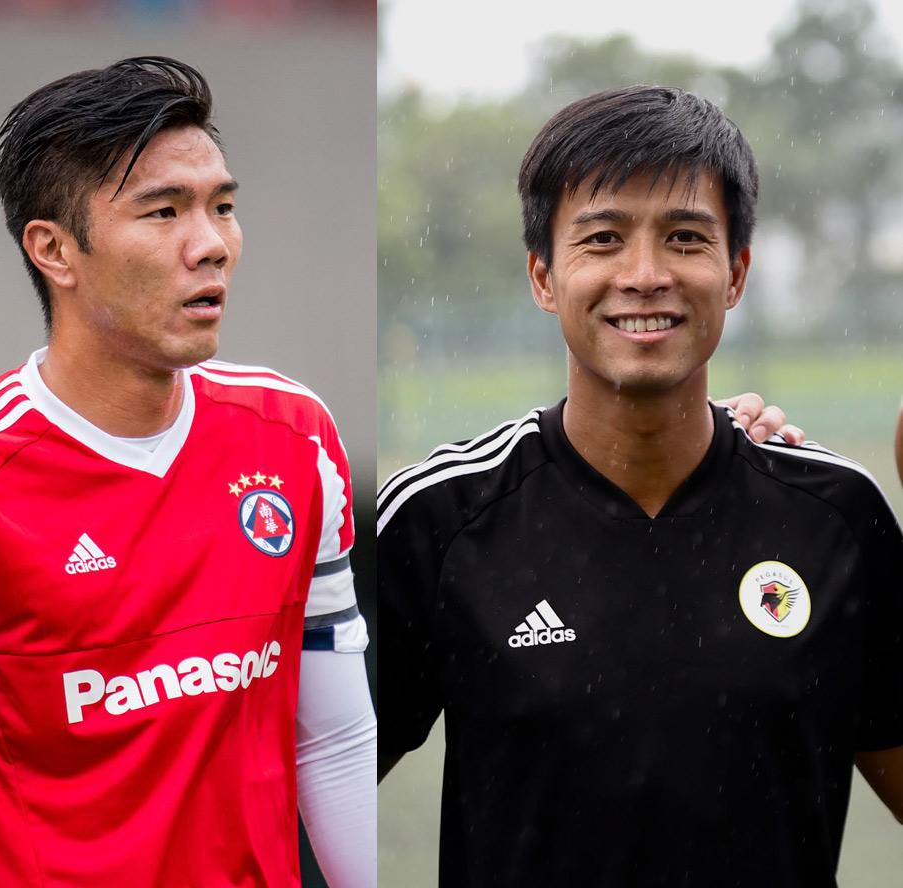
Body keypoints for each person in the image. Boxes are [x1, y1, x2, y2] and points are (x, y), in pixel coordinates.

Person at [0, 57, 375, 887]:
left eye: (222, 207)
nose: (212, 245)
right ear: (54, 249)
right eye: (164, 212)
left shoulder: (294, 435)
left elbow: (336, 742)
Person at [376, 85, 903, 887]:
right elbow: (306, 782)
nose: (646, 274)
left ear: (736, 273)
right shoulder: (440, 521)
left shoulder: (838, 517)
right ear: (544, 276)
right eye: (604, 239)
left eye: (686, 237)